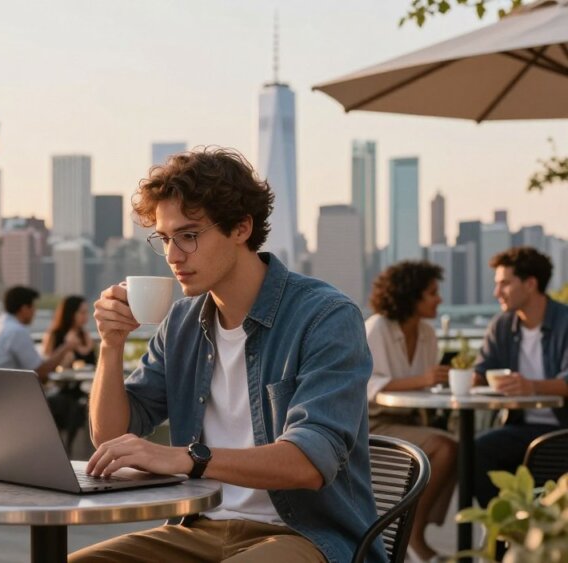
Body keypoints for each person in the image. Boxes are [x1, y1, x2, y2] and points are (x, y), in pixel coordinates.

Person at [72, 148, 384, 563]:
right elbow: (111, 436)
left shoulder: (325, 317)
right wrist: (110, 346)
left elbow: (309, 462)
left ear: (241, 228)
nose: (172, 256)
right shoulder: (181, 321)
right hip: (197, 528)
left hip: (304, 535)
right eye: (164, 239)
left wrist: (185, 458)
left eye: (189, 235)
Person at [365, 260, 457, 561]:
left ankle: (417, 526)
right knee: (445, 447)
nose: (439, 298)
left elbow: (425, 389)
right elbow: (367, 386)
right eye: (432, 292)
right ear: (411, 295)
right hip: (373, 424)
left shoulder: (428, 334)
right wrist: (425, 379)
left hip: (409, 419)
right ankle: (414, 530)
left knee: (460, 447)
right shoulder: (377, 328)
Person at [473, 247, 568, 509]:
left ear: (530, 284)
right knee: (475, 451)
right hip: (520, 427)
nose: (497, 293)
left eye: (504, 283)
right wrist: (470, 380)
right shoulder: (501, 325)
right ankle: (506, 532)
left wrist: (531, 387)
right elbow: (481, 372)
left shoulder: (565, 321)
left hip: (562, 429)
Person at [0, 285, 74, 383]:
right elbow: (39, 372)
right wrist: (66, 347)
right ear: (24, 308)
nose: (35, 312)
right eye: (33, 307)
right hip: (6, 395)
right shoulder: (16, 331)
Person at [43, 295, 97, 369]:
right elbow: (47, 361)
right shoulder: (55, 334)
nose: (86, 316)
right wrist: (66, 347)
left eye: (86, 312)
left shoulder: (84, 335)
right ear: (71, 313)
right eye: (82, 312)